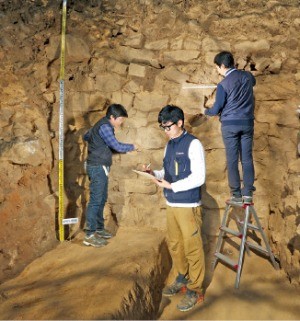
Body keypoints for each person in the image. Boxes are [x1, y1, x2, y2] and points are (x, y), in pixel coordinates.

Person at [148, 105, 206, 312]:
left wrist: (172, 186)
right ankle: (182, 276)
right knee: (175, 244)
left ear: (180, 123)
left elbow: (199, 177)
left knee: (192, 247)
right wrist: (154, 172)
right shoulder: (169, 145)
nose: (166, 131)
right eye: (163, 127)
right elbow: (167, 170)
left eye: (168, 126)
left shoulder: (193, 144)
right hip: (172, 204)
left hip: (188, 205)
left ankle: (195, 289)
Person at [83, 104, 138, 247]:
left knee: (101, 199)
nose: (121, 122)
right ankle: (89, 234)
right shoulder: (105, 127)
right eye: (120, 119)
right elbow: (117, 146)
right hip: (97, 167)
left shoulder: (100, 125)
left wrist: (98, 145)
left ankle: (99, 229)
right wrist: (132, 147)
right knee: (96, 200)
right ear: (112, 117)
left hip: (99, 165)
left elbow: (86, 135)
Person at [205, 51, 256, 205]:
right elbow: (253, 82)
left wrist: (206, 110)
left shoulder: (222, 85)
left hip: (230, 125)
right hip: (247, 123)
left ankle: (236, 194)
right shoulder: (247, 77)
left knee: (232, 160)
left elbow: (216, 109)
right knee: (247, 159)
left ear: (222, 65)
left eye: (217, 68)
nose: (217, 71)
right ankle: (247, 192)